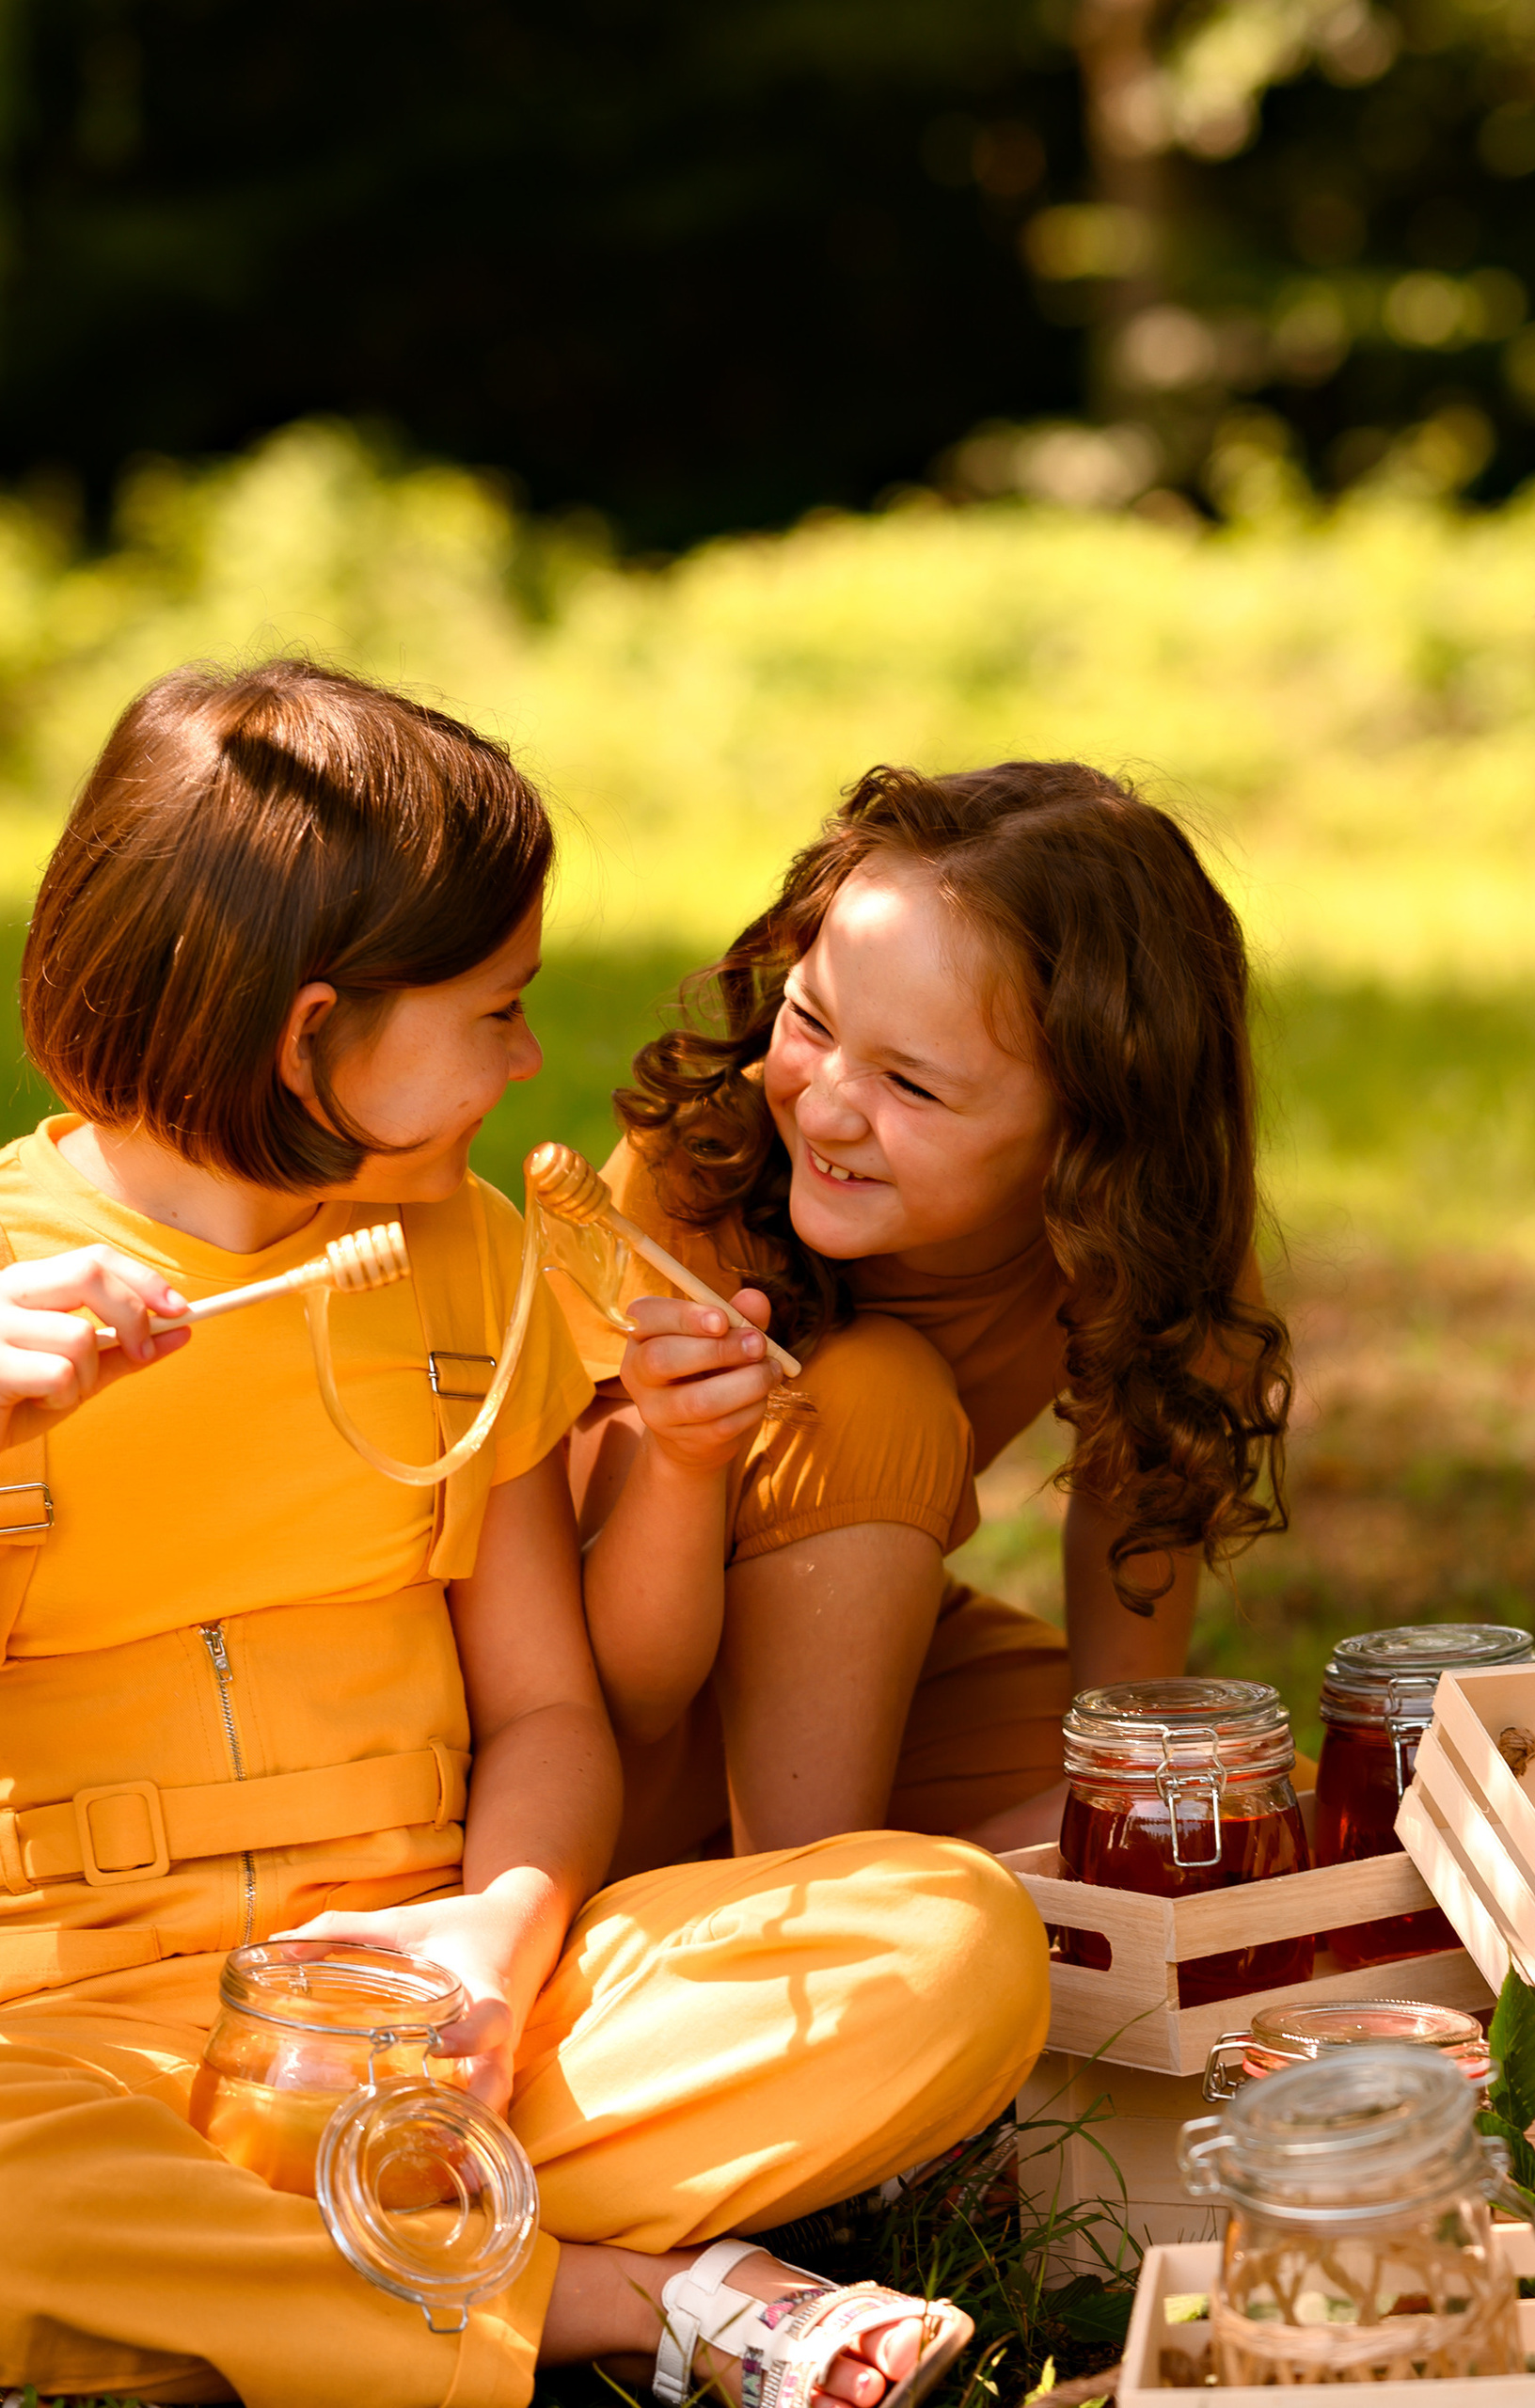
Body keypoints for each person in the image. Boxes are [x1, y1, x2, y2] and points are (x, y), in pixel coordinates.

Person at [0, 662, 1048, 2408]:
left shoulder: (470, 1265)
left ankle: (256, 2281)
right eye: (494, 1011)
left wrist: (498, 1935)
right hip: (77, 2042)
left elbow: (556, 1712)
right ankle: (631, 2300)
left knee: (952, 1944)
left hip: (448, 2030)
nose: (529, 1058)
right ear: (310, 1037)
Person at [566, 760, 1291, 1869]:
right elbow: (623, 1682)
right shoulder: (694, 1182)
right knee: (875, 1394)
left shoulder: (1138, 1232)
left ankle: (941, 1886)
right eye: (809, 1020)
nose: (826, 1107)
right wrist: (684, 1457)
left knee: (1233, 1800)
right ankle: (812, 1915)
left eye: (910, 1085)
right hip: (599, 1735)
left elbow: (1138, 1503)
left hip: (829, 1675)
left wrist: (1117, 1793)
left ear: (1095, 1120)